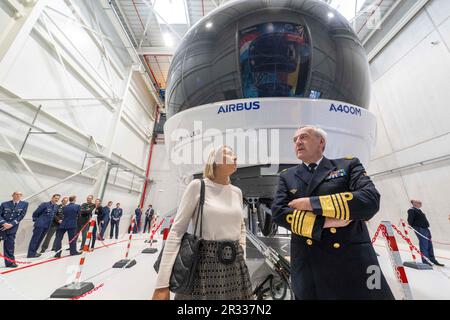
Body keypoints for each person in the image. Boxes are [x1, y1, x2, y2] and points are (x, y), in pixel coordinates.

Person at [271, 125, 394, 300]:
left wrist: (311, 203)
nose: (298, 141)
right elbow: (278, 213)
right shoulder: (287, 176)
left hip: (353, 259)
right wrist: (327, 222)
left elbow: (370, 200)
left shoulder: (348, 165)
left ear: (321, 142)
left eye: (304, 137)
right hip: (309, 262)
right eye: (295, 139)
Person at [152, 146, 252, 300]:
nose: (235, 157)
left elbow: (241, 228)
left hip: (235, 268)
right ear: (214, 161)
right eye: (228, 153)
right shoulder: (198, 186)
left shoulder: (237, 192)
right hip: (203, 267)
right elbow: (176, 231)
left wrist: (242, 256)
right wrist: (161, 285)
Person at [407, 200, 444, 267]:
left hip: (425, 228)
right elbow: (410, 219)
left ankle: (432, 259)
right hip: (420, 228)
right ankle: (426, 261)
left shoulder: (419, 210)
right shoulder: (411, 210)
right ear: (414, 204)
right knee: (424, 244)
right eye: (419, 203)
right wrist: (412, 227)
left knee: (429, 244)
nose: (421, 204)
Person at [0, 192, 28, 268]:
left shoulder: (25, 204)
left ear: (21, 196)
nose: (18, 196)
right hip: (1, 226)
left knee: (10, 245)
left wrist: (11, 224)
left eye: (20, 194)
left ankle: (10, 263)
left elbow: (21, 216)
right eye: (16, 194)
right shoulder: (4, 204)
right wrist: (4, 223)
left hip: (12, 228)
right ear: (12, 195)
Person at [27, 194, 60, 258]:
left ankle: (34, 252)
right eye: (55, 198)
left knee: (40, 239)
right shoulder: (45, 204)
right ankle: (30, 254)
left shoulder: (56, 206)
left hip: (47, 226)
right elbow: (36, 213)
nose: (56, 199)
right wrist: (37, 221)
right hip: (40, 224)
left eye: (58, 199)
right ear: (52, 197)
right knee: (35, 239)